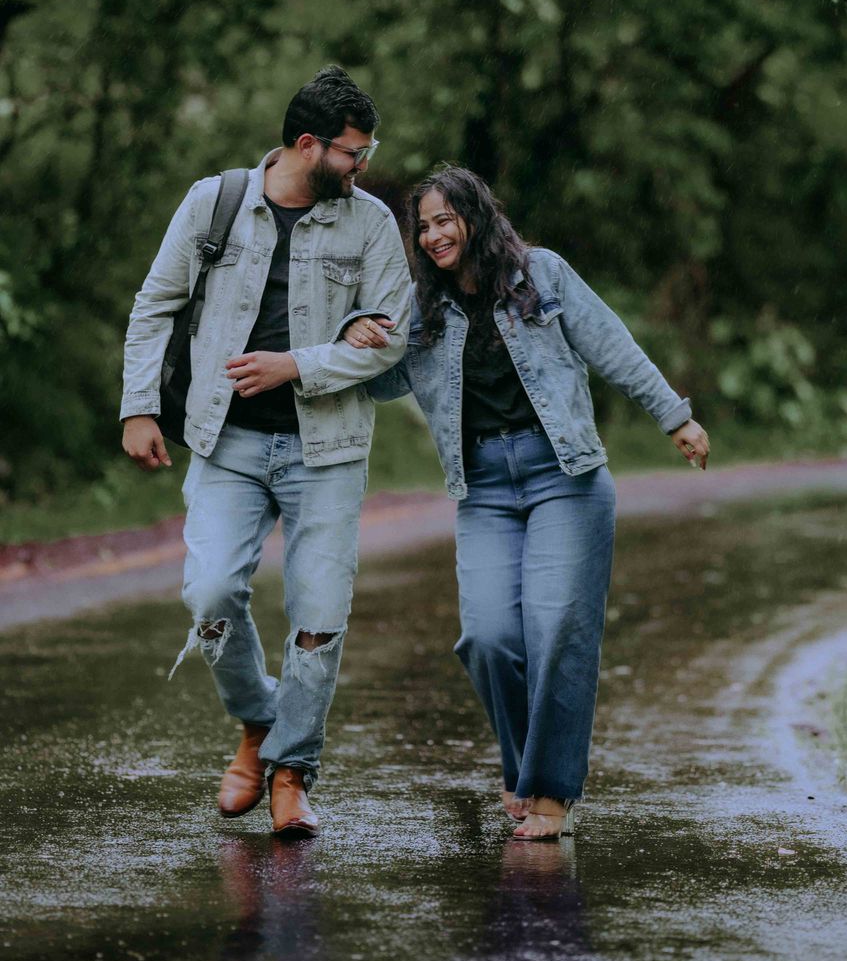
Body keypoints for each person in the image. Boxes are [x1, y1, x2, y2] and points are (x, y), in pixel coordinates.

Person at [344, 166, 709, 840]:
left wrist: (674, 417)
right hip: (482, 489)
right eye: (422, 226)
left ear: (475, 217)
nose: (432, 235)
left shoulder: (539, 274)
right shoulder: (423, 308)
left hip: (563, 477)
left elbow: (612, 345)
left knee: (557, 631)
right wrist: (354, 335)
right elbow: (378, 379)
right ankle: (524, 769)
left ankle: (548, 793)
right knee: (487, 637)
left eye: (443, 219)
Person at [120, 67, 411, 839]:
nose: (364, 166)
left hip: (330, 447)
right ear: (308, 144)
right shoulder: (213, 203)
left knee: (318, 617)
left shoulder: (372, 223)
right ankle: (258, 722)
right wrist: (140, 406)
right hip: (228, 441)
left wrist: (302, 363)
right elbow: (157, 303)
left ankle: (291, 771)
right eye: (355, 152)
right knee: (209, 596)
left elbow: (393, 335)